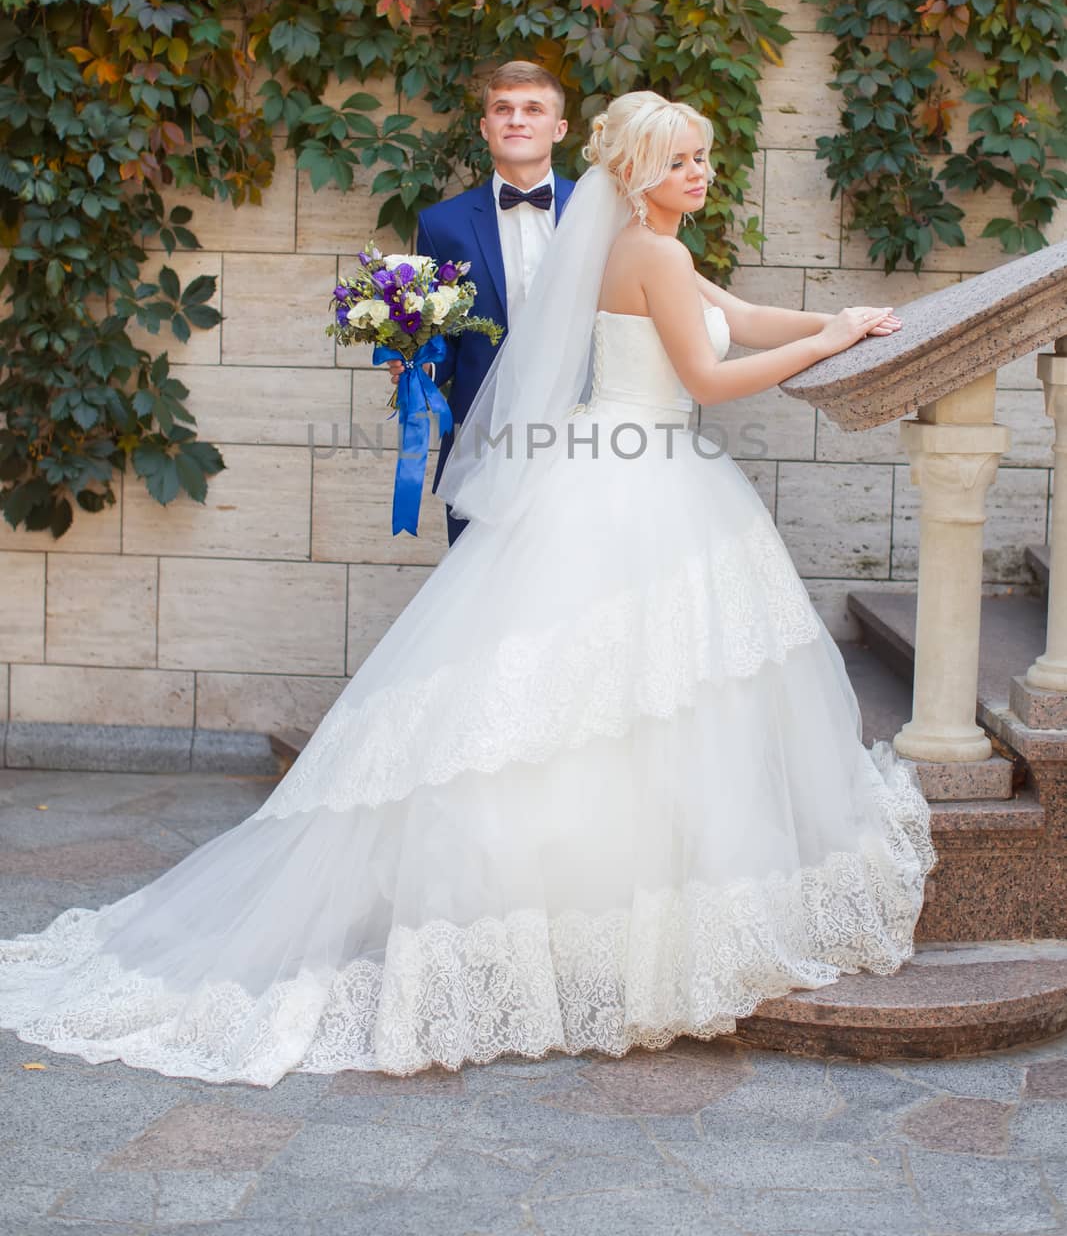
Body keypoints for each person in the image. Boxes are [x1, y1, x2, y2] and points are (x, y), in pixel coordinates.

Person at [0, 91, 935, 1088]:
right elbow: (708, 376)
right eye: (677, 163)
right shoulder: (650, 253)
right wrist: (828, 347)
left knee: (611, 696)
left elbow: (738, 314)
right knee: (622, 692)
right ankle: (601, 913)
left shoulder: (645, 243)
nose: (697, 174)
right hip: (642, 474)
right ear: (634, 176)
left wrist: (834, 316)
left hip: (621, 470)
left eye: (702, 157)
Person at [386, 60, 577, 546]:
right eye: (503, 109)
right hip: (482, 438)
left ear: (558, 128)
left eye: (533, 109)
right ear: (485, 126)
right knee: (481, 597)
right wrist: (419, 366)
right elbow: (444, 339)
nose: (517, 119)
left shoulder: (596, 214)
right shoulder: (441, 224)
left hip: (582, 439)